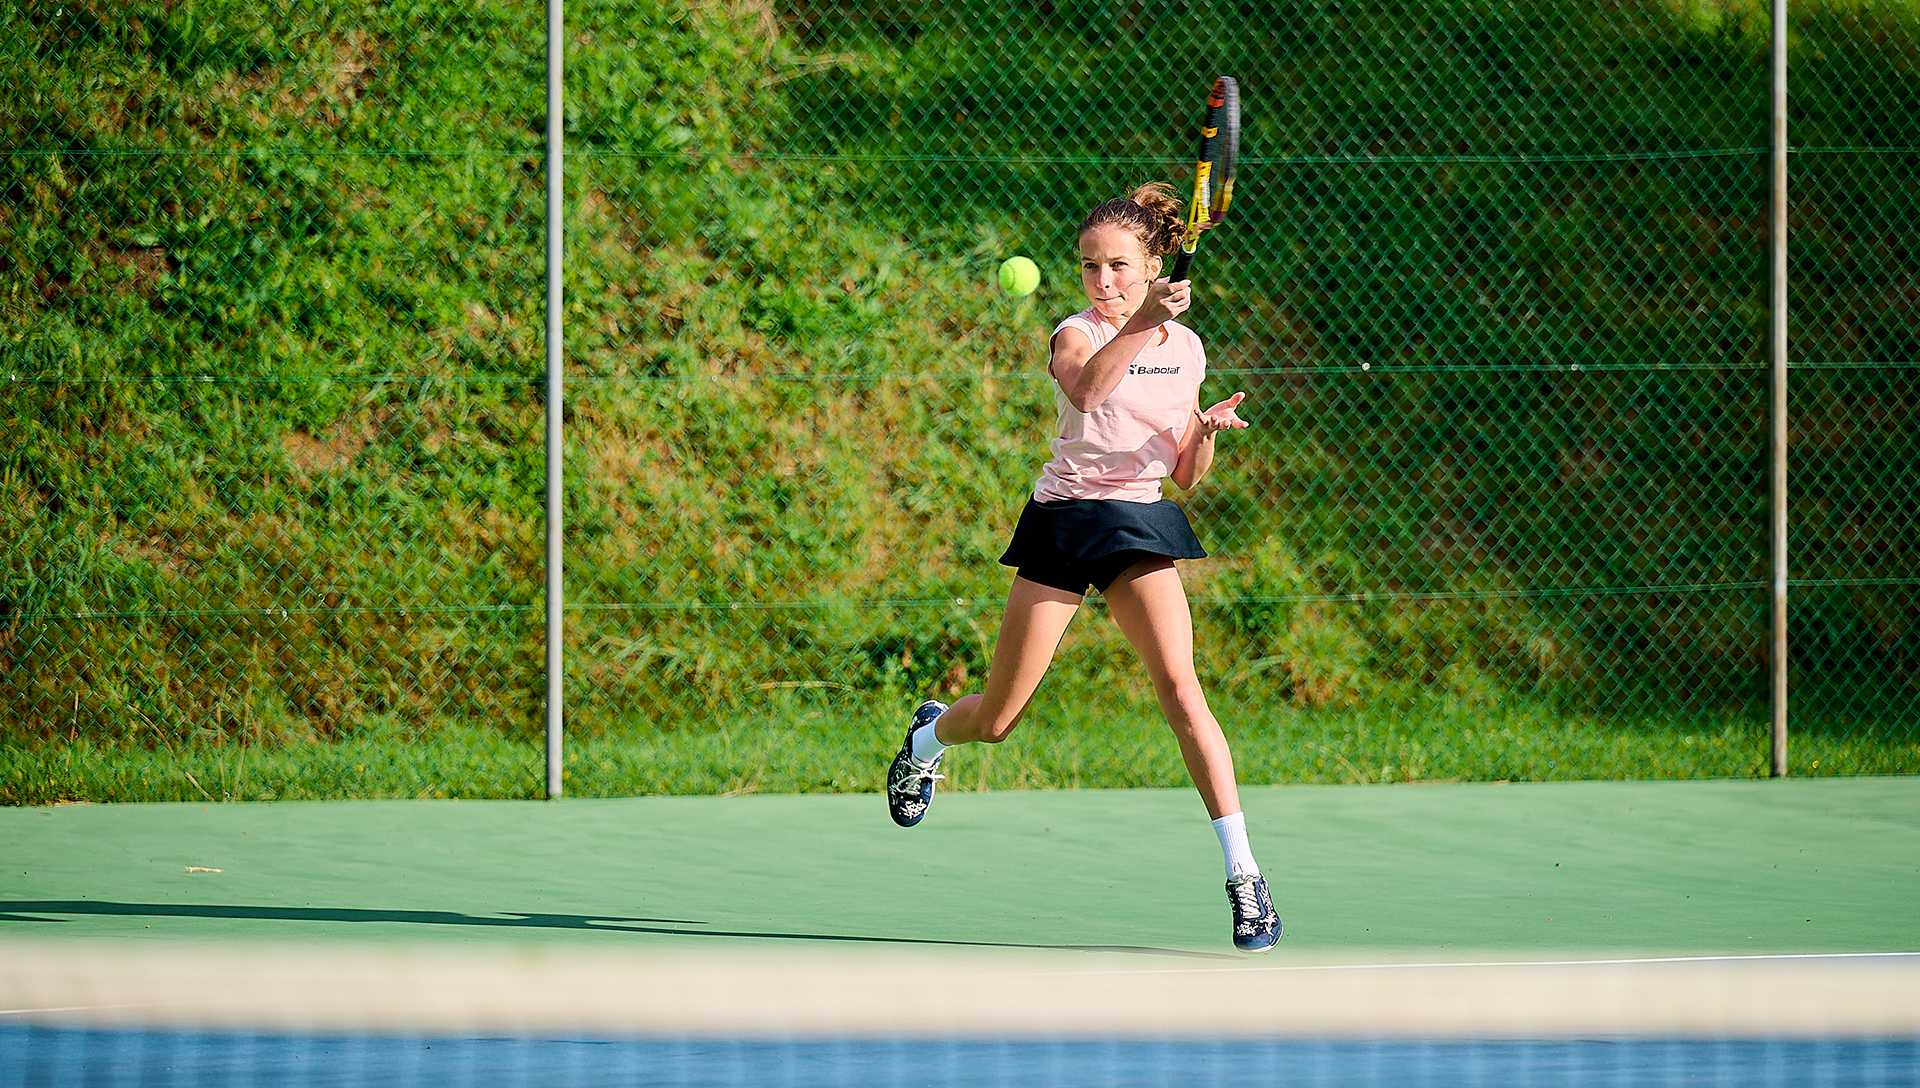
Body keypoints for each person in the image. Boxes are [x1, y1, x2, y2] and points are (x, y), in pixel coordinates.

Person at [884, 182, 1280, 953]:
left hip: (1137, 521)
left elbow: (1186, 476)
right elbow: (1092, 393)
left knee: (1181, 690)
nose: (1104, 281)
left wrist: (1204, 430)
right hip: (1065, 521)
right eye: (1091, 268)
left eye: (1120, 267)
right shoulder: (1075, 334)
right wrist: (1139, 323)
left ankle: (1244, 875)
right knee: (997, 721)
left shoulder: (1187, 349)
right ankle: (930, 738)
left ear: (1154, 262)